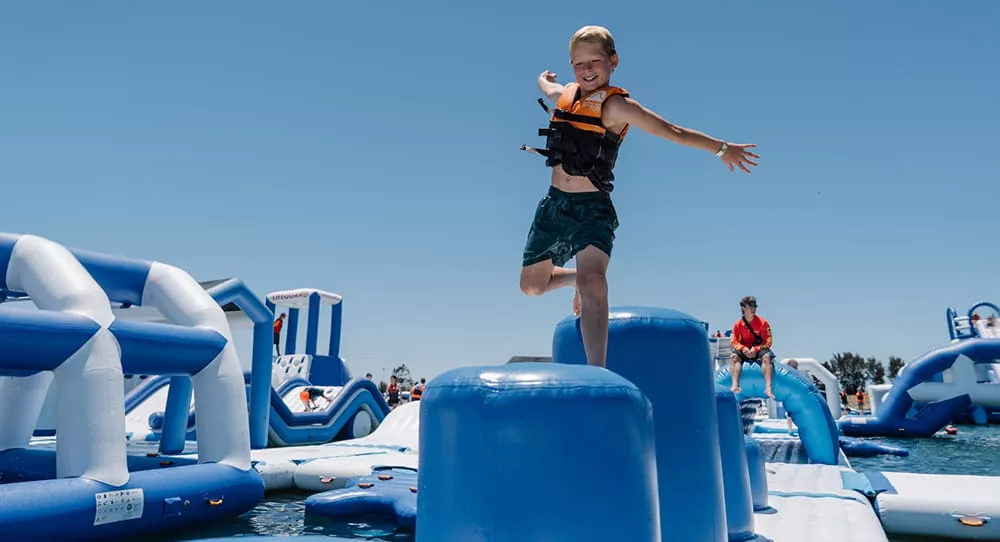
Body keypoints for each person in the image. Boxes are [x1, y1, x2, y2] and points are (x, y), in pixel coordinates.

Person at [518, 25, 759, 368]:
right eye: (579, 64)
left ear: (613, 61)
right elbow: (551, 87)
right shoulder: (567, 95)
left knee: (594, 279)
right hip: (554, 206)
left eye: (595, 62)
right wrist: (544, 79)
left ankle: (597, 372)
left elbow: (672, 131)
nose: (587, 70)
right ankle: (574, 278)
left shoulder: (617, 106)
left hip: (592, 209)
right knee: (532, 287)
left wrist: (721, 149)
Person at [729, 296, 775, 398]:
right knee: (733, 357)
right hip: (744, 350)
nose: (754, 308)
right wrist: (743, 349)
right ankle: (735, 385)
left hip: (759, 349)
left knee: (767, 357)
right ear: (743, 308)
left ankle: (768, 388)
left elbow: (769, 340)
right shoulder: (738, 325)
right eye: (751, 306)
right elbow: (734, 341)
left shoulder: (763, 323)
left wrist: (757, 349)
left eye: (755, 306)